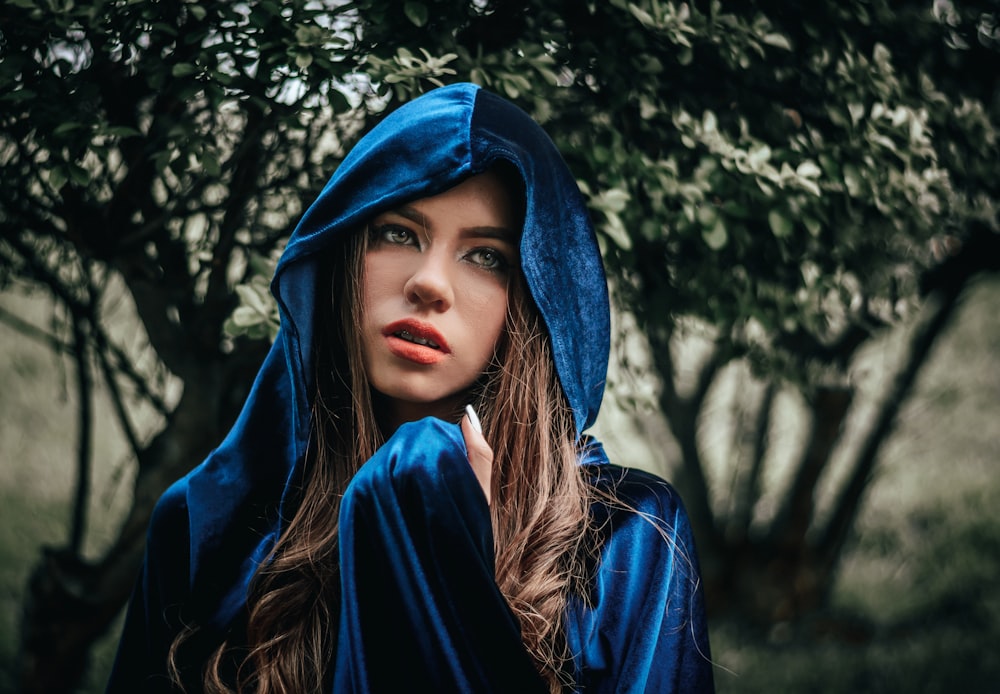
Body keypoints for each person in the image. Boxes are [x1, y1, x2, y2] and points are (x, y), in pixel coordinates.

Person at [107, 82, 714, 693]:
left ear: (534, 300)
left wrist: (444, 554)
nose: (429, 283)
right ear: (344, 256)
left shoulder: (627, 541)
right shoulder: (209, 528)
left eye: (485, 256)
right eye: (399, 233)